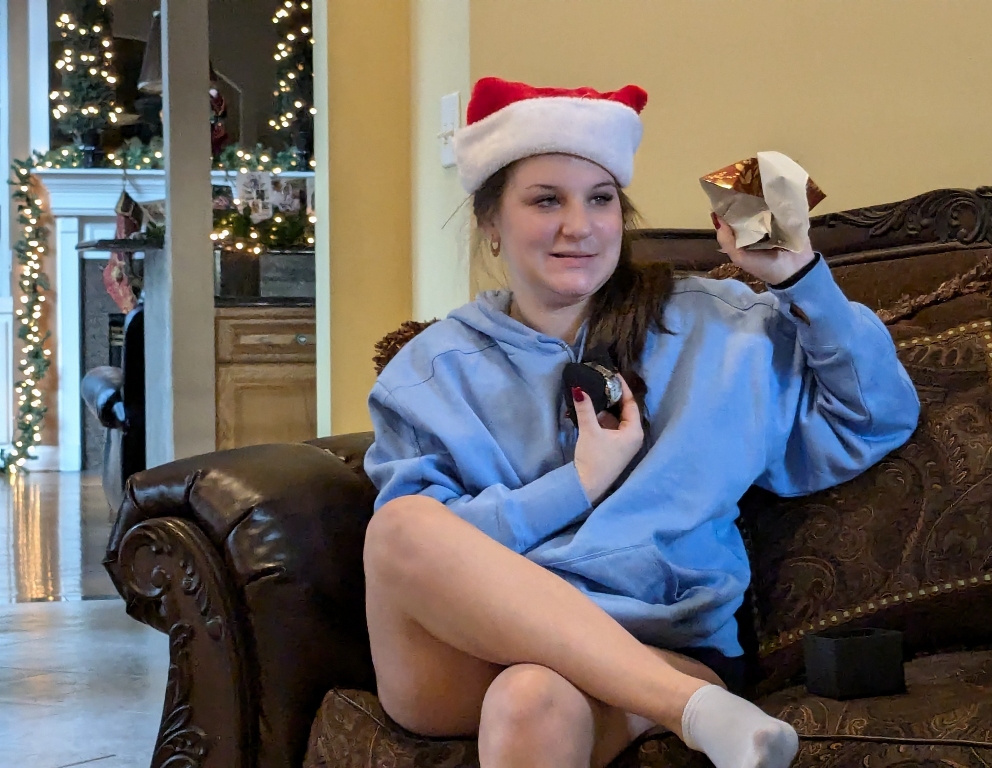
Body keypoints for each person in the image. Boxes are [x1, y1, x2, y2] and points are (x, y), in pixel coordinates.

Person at [363, 76, 920, 768]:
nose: (579, 226)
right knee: (402, 526)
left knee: (531, 698)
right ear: (490, 223)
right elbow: (420, 565)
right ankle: (697, 712)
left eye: (600, 199)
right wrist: (578, 484)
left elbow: (874, 417)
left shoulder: (719, 329)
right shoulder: (428, 373)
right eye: (546, 200)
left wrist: (798, 277)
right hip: (466, 654)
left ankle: (686, 699)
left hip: (657, 643)